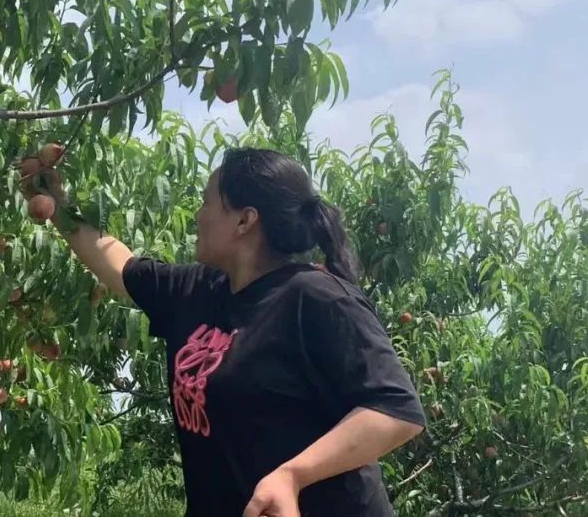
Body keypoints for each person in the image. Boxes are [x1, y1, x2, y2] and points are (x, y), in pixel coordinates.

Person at [36, 147, 426, 517]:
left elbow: (395, 411)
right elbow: (118, 266)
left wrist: (292, 475)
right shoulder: (197, 290)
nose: (197, 215)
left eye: (207, 202)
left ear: (245, 221)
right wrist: (55, 201)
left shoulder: (315, 297)